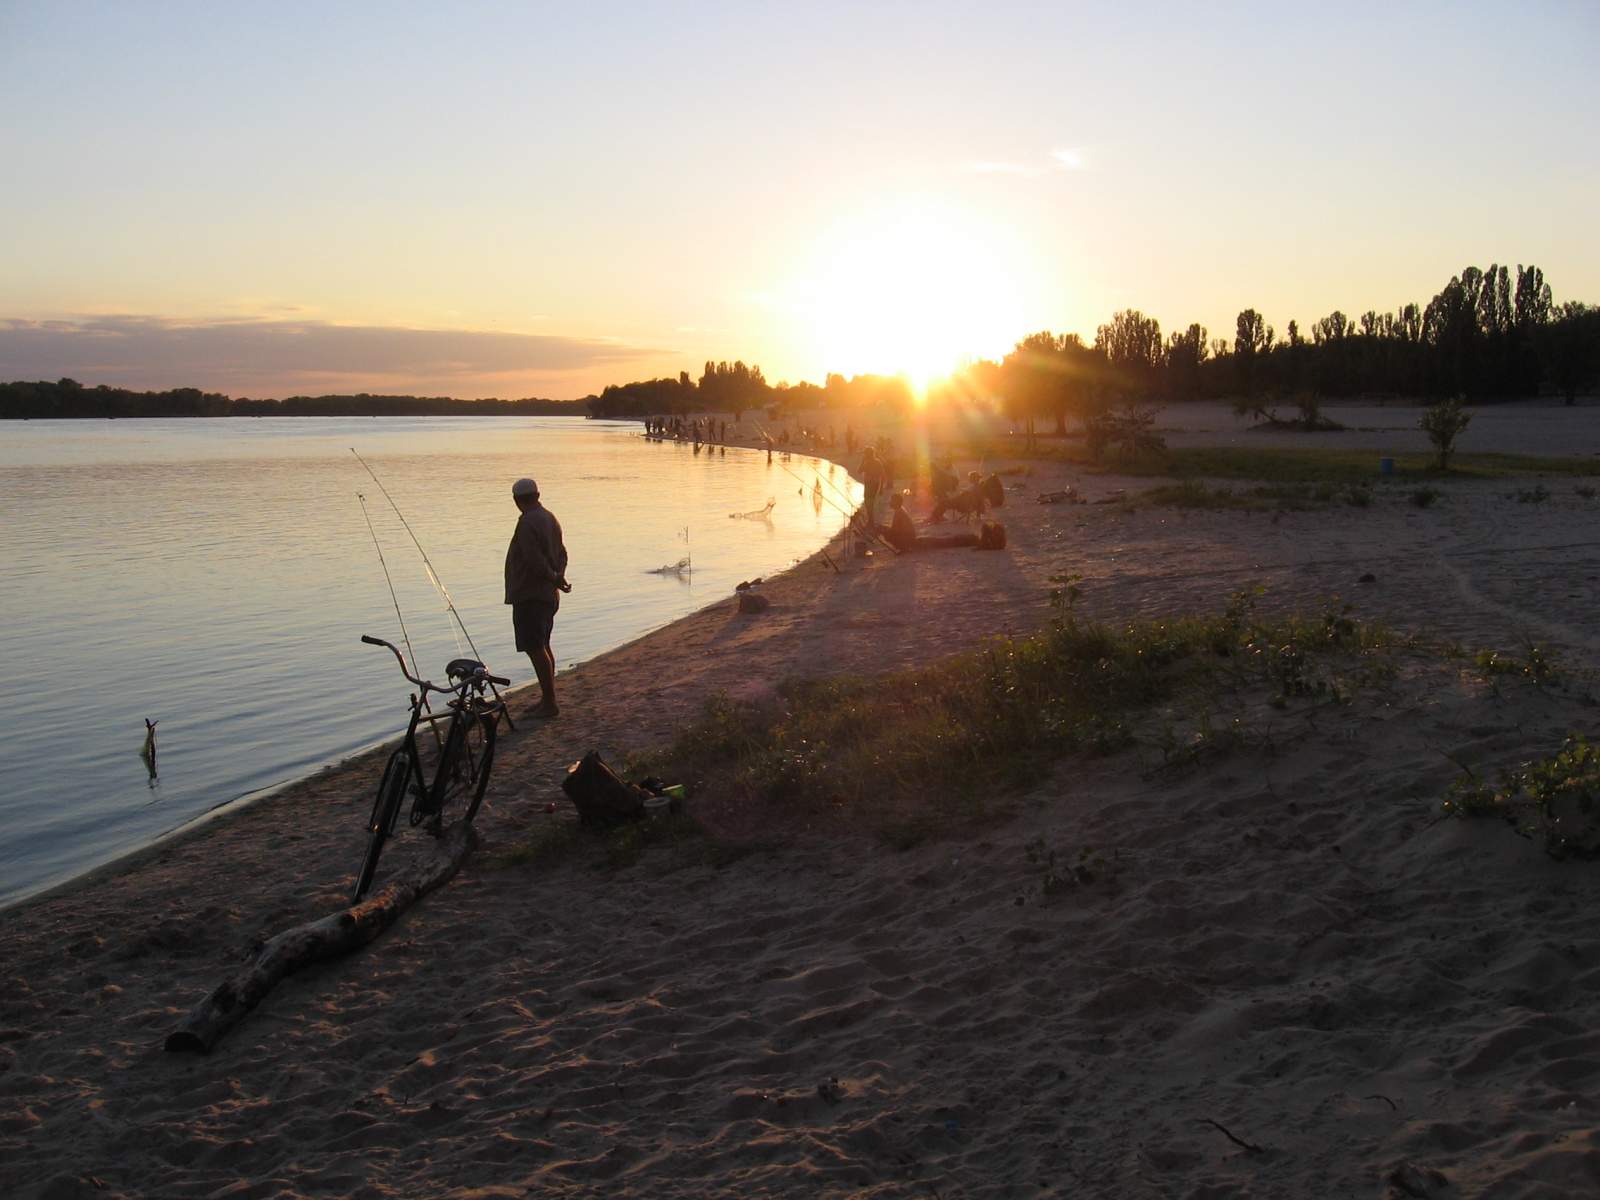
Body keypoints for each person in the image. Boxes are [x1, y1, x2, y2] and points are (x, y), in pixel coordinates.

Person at [505, 477, 570, 718]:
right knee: (543, 645)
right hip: (548, 594)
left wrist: (554, 578)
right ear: (538, 495)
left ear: (516, 500)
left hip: (531, 595)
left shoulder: (527, 522)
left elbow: (534, 559)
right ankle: (547, 699)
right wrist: (558, 577)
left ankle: (550, 703)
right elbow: (562, 554)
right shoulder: (550, 517)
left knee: (535, 647)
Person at [885, 491, 978, 553]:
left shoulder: (899, 512)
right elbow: (896, 531)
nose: (890, 503)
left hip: (911, 542)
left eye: (892, 501)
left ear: (896, 502)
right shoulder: (900, 511)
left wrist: (884, 531)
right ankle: (970, 539)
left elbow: (895, 532)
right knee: (942, 541)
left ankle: (970, 539)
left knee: (943, 542)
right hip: (913, 541)